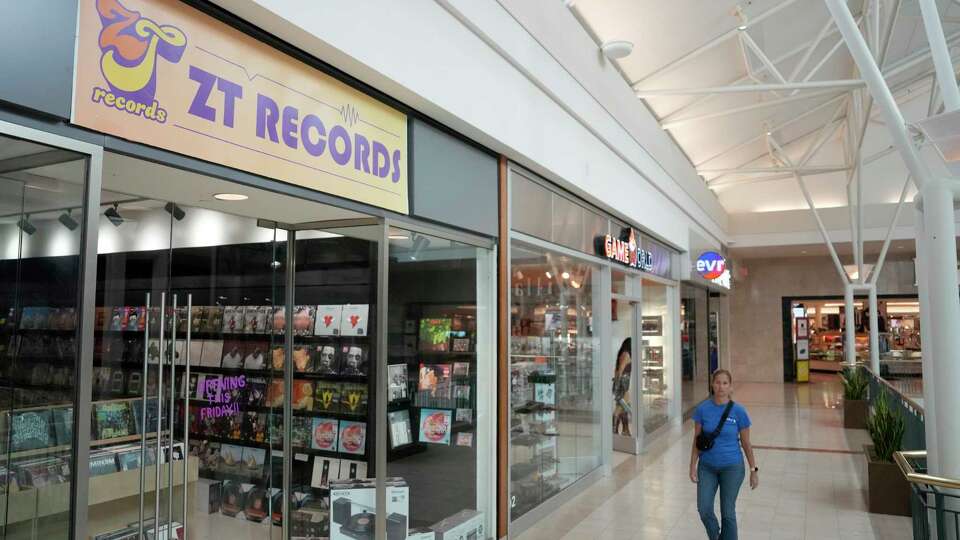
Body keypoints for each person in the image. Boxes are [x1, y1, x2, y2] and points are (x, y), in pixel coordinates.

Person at [689, 369, 758, 540]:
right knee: (704, 509)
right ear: (712, 385)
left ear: (730, 387)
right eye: (718, 382)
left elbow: (746, 443)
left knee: (728, 513)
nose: (721, 386)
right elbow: (697, 440)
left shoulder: (739, 412)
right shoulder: (702, 410)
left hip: (732, 468)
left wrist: (753, 470)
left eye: (725, 383)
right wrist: (692, 465)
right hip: (707, 467)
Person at [612, 338, 632, 436]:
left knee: (624, 408)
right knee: (620, 408)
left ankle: (625, 430)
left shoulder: (623, 354)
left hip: (623, 385)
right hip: (623, 386)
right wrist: (617, 388)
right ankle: (614, 430)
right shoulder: (626, 354)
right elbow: (619, 371)